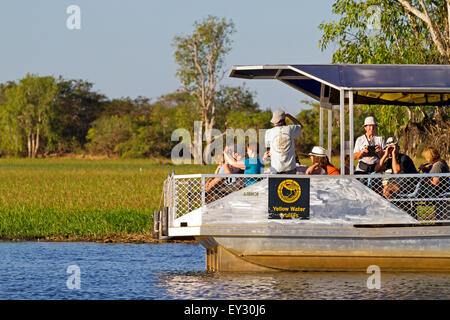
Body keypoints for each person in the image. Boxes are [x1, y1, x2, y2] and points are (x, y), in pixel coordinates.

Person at [264, 109, 302, 174]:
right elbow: (300, 126)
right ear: (283, 120)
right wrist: (289, 116)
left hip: (275, 168)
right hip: (290, 168)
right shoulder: (291, 129)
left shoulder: (269, 132)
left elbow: (268, 147)